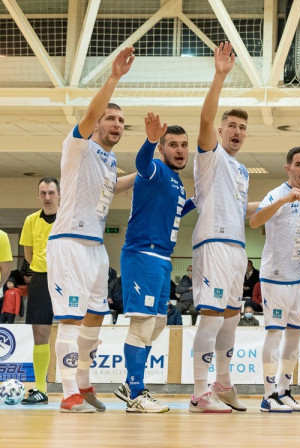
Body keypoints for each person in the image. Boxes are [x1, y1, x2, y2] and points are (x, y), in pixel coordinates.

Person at [46, 46, 137, 413]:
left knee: (95, 318)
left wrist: (147, 172)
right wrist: (114, 77)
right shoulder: (79, 145)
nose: (116, 124)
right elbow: (88, 113)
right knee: (69, 319)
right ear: (98, 123)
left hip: (96, 249)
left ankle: (83, 385)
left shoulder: (109, 159)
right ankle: (68, 393)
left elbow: (112, 187)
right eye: (110, 118)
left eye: (121, 121)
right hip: (68, 243)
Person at [189, 42, 258, 414]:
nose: (237, 131)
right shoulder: (210, 154)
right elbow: (204, 121)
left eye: (242, 127)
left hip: (237, 248)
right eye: (231, 125)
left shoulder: (242, 170)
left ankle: (224, 383)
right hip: (213, 244)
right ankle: (199, 393)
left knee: (231, 321)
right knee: (212, 319)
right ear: (220, 130)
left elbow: (241, 209)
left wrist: (279, 202)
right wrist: (219, 76)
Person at [112, 113, 192, 413]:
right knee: (142, 324)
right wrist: (149, 140)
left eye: (184, 145)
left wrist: (198, 200)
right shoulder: (156, 168)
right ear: (162, 148)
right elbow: (141, 164)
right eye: (173, 145)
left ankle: (129, 385)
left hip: (162, 260)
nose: (180, 150)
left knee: (158, 322)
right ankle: (136, 392)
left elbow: (175, 213)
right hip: (142, 254)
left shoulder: (178, 183)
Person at [248, 145, 300, 413]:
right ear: (288, 168)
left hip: (297, 277)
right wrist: (283, 201)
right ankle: (268, 395)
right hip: (275, 276)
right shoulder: (276, 194)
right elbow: (255, 222)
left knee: (294, 335)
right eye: (299, 164)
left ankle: (284, 390)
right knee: (274, 333)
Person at [19, 177, 59, 405]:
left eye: (51, 192)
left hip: (67, 280)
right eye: (43, 193)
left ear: (59, 195)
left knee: (72, 331)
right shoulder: (31, 220)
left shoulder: (69, 218)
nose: (47, 197)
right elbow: (28, 255)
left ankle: (76, 388)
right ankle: (41, 389)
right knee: (40, 334)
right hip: (41, 279)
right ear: (38, 195)